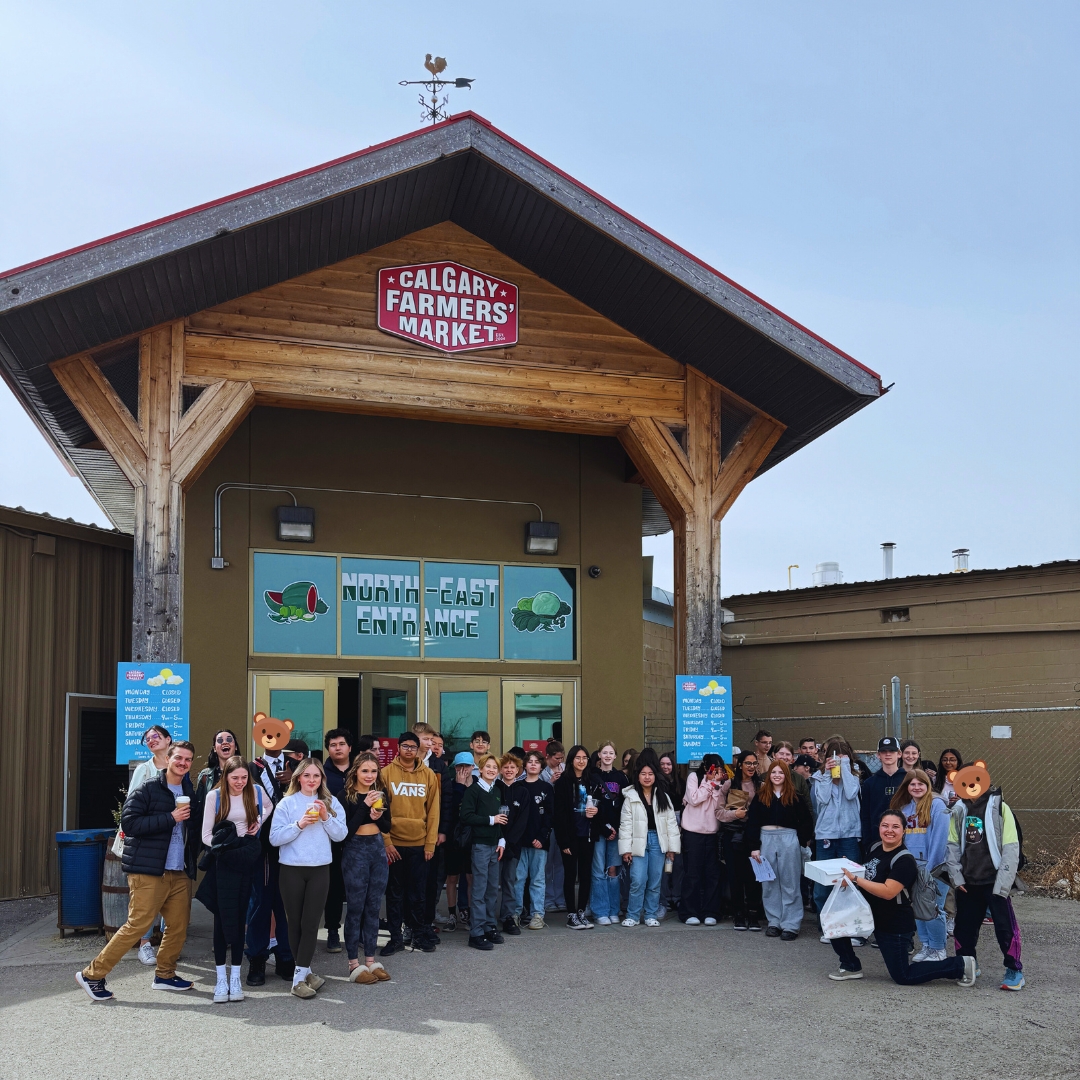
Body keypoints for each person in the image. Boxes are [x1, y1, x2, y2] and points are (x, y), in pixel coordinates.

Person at [76, 742, 198, 1002]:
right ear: (168, 757)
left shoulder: (188, 789)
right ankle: (92, 975)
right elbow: (129, 824)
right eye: (178, 757)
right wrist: (171, 817)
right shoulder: (148, 788)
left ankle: (165, 974)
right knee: (137, 926)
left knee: (177, 926)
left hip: (177, 870)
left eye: (188, 759)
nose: (183, 763)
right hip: (149, 871)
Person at [828, 810, 977, 988]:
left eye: (895, 827)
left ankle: (960, 965)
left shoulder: (904, 860)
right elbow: (869, 873)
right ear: (879, 828)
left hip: (894, 923)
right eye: (885, 825)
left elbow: (888, 891)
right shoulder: (875, 847)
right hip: (871, 913)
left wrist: (855, 879)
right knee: (835, 921)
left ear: (904, 831)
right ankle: (850, 966)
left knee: (903, 976)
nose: (889, 830)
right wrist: (847, 870)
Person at [269, 757, 348, 998]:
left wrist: (325, 817)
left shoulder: (331, 802)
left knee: (312, 923)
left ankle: (298, 978)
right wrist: (300, 824)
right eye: (307, 776)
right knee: (295, 923)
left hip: (320, 869)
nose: (311, 780)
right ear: (298, 778)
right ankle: (305, 974)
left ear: (322, 779)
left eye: (316, 776)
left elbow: (341, 835)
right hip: (291, 869)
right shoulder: (287, 803)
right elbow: (274, 838)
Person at [945, 763, 1025, 990]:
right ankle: (968, 965)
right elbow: (951, 846)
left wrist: (1003, 883)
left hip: (994, 881)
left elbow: (1011, 847)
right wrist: (957, 878)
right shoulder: (958, 810)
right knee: (964, 928)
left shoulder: (1000, 808)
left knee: (1004, 927)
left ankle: (1014, 969)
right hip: (968, 882)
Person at [195, 755, 265, 1003]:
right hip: (222, 863)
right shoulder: (214, 796)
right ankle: (220, 979)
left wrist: (258, 822)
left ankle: (236, 976)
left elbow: (269, 807)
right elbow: (205, 835)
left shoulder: (254, 792)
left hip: (245, 862)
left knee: (239, 919)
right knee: (221, 921)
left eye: (244, 777)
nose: (240, 782)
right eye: (235, 777)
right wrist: (226, 846)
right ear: (225, 776)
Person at [380, 731, 440, 955]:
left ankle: (418, 934)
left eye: (413, 747)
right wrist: (386, 841)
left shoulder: (429, 775)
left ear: (418, 750)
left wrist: (430, 844)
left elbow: (433, 812)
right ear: (398, 748)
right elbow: (379, 810)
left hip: (419, 844)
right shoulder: (385, 774)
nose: (409, 750)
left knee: (418, 893)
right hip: (393, 845)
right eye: (405, 746)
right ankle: (395, 938)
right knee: (395, 894)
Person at [246, 734, 295, 986]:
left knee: (286, 905)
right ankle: (256, 958)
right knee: (260, 904)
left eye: (278, 735)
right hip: (264, 846)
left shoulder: (296, 767)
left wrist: (291, 782)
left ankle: (286, 957)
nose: (273, 740)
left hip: (291, 845)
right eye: (268, 734)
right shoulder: (251, 768)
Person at [341, 751, 393, 985]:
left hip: (377, 850)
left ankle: (371, 960)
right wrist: (365, 807)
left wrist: (377, 816)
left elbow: (386, 825)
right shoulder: (346, 796)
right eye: (365, 771)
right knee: (355, 908)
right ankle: (354, 963)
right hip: (355, 851)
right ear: (356, 771)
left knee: (373, 907)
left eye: (373, 771)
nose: (369, 775)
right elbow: (346, 832)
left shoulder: (381, 794)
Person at [748, 760, 813, 940]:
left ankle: (791, 924)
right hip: (765, 839)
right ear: (769, 775)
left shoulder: (795, 797)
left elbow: (806, 821)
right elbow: (752, 823)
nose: (777, 775)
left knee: (790, 882)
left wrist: (801, 841)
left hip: (789, 839)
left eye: (781, 772)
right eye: (774, 772)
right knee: (769, 882)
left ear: (787, 775)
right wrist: (754, 847)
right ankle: (774, 922)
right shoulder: (761, 797)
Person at [891, 768, 950, 961]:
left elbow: (940, 840)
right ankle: (926, 946)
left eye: (920, 784)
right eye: (912, 784)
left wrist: (931, 869)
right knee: (917, 908)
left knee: (933, 908)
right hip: (912, 866)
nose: (916, 787)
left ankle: (938, 948)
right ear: (907, 787)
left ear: (928, 785)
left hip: (933, 867)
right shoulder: (905, 809)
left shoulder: (937, 805)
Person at [128, 724, 173, 966]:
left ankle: (167, 943)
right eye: (147, 739)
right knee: (148, 895)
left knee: (172, 891)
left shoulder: (178, 765)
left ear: (168, 739)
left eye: (156, 736)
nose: (151, 740)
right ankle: (144, 944)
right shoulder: (144, 770)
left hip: (173, 840)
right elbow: (131, 806)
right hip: (149, 841)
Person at [619, 748, 680, 926]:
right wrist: (626, 849)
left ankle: (651, 914)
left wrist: (672, 848)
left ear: (655, 776)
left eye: (650, 774)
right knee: (637, 880)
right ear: (638, 776)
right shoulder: (630, 797)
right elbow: (625, 825)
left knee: (655, 881)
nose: (647, 777)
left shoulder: (663, 797)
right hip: (638, 841)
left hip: (658, 842)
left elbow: (671, 824)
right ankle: (633, 915)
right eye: (643, 774)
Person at [810, 736, 863, 920]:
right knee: (823, 884)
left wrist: (847, 769)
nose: (838, 761)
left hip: (849, 834)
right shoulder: (819, 776)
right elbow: (822, 799)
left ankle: (850, 924)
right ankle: (825, 924)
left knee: (850, 881)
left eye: (843, 757)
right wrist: (827, 774)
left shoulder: (854, 775)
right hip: (826, 834)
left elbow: (850, 793)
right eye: (835, 757)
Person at [459, 753, 508, 950]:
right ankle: (476, 933)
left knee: (491, 890)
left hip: (495, 846)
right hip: (479, 845)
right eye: (488, 766)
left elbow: (502, 818)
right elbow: (466, 816)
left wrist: (502, 840)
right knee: (479, 890)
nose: (491, 770)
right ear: (480, 768)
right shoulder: (473, 791)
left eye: (494, 767)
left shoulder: (497, 790)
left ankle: (489, 927)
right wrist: (491, 819)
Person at [414, 722, 452, 937]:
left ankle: (426, 923)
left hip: (433, 832)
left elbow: (446, 799)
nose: (430, 744)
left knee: (432, 880)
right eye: (426, 739)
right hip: (409, 833)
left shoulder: (438, 765)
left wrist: (442, 830)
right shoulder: (403, 764)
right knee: (411, 880)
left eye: (432, 740)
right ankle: (409, 923)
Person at [678, 753, 725, 926]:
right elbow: (694, 799)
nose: (717, 773)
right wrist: (709, 783)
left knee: (712, 874)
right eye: (714, 769)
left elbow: (719, 806)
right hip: (693, 832)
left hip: (712, 832)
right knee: (692, 873)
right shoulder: (694, 777)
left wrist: (718, 785)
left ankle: (711, 911)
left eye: (719, 770)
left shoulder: (722, 782)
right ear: (706, 768)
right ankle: (689, 911)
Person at [718, 751, 762, 930]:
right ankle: (738, 914)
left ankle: (753, 914)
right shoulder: (729, 784)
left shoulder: (761, 785)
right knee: (735, 876)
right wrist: (735, 814)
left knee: (753, 876)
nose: (751, 767)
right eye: (748, 763)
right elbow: (718, 812)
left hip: (754, 836)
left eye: (754, 763)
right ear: (740, 765)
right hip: (733, 835)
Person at [553, 744, 595, 929]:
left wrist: (596, 811)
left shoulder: (591, 780)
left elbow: (598, 805)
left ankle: (581, 912)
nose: (581, 761)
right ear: (571, 760)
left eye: (584, 758)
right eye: (578, 758)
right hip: (570, 836)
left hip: (587, 834)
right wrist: (563, 841)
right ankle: (571, 914)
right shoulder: (563, 781)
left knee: (586, 875)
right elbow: (559, 814)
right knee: (570, 875)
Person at [511, 750, 554, 929]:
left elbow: (550, 817)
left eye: (537, 762)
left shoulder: (546, 788)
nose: (533, 764)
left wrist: (542, 837)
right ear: (525, 765)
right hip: (519, 842)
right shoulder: (516, 787)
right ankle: (515, 913)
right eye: (530, 762)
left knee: (537, 879)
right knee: (518, 878)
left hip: (538, 842)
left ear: (541, 765)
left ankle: (538, 914)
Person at [587, 741, 628, 926]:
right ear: (599, 755)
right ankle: (599, 910)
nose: (608, 756)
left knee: (613, 870)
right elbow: (589, 805)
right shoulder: (591, 776)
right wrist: (604, 827)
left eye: (611, 753)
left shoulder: (621, 778)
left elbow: (626, 805)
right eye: (605, 752)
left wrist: (617, 828)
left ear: (615, 756)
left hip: (616, 830)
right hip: (598, 829)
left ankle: (613, 910)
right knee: (598, 870)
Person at [321, 727, 354, 954]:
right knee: (332, 887)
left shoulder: (361, 770)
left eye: (341, 744)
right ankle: (333, 930)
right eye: (333, 745)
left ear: (349, 747)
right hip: (330, 837)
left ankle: (357, 931)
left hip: (359, 837)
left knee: (357, 886)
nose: (337, 748)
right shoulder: (321, 774)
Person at [444, 751, 475, 931]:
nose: (463, 769)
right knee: (452, 877)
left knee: (470, 876)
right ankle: (451, 915)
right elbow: (451, 810)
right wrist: (460, 786)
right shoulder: (450, 785)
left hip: (471, 838)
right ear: (455, 768)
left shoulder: (478, 786)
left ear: (473, 767)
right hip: (452, 838)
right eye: (460, 766)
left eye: (467, 766)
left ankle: (469, 913)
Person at [496, 752, 527, 934]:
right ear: (501, 769)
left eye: (512, 768)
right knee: (491, 884)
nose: (509, 770)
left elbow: (522, 820)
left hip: (513, 846)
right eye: (505, 767)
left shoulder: (522, 791)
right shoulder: (495, 788)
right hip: (494, 845)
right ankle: (489, 920)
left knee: (509, 881)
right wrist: (498, 839)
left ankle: (508, 917)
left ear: (518, 770)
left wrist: (508, 842)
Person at [860, 737, 904, 854]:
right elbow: (865, 815)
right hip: (877, 839)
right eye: (884, 751)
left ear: (899, 754)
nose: (888, 754)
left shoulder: (908, 779)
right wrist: (868, 841)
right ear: (878, 755)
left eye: (891, 751)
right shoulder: (869, 783)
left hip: (904, 837)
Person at [541, 741, 566, 913]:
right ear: (547, 757)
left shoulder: (565, 769)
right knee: (547, 863)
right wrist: (550, 782)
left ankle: (560, 898)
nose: (559, 762)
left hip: (562, 821)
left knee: (561, 862)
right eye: (556, 758)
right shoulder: (542, 773)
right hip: (548, 822)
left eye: (561, 758)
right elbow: (541, 796)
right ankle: (548, 899)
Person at [658, 752, 684, 917]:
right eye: (662, 764)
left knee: (678, 864)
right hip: (661, 823)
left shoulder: (681, 783)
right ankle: (665, 899)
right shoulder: (657, 783)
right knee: (662, 865)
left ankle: (678, 897)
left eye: (668, 764)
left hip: (680, 823)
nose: (666, 767)